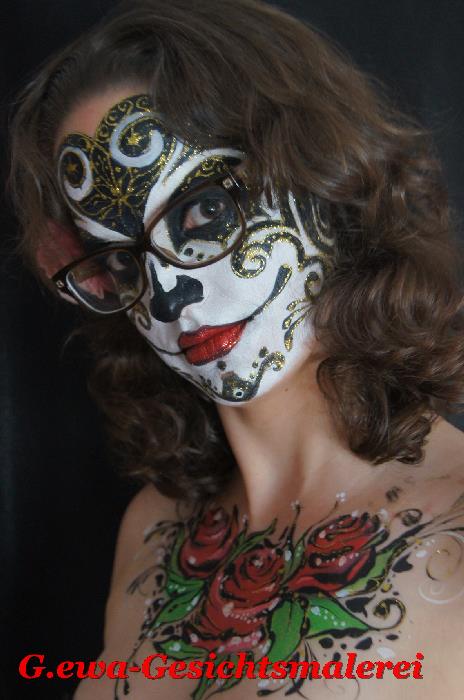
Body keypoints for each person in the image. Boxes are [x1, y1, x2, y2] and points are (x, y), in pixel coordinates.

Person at [8, 0, 464, 698]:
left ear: (323, 175)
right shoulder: (153, 529)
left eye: (202, 213)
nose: (165, 295)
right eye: (122, 261)